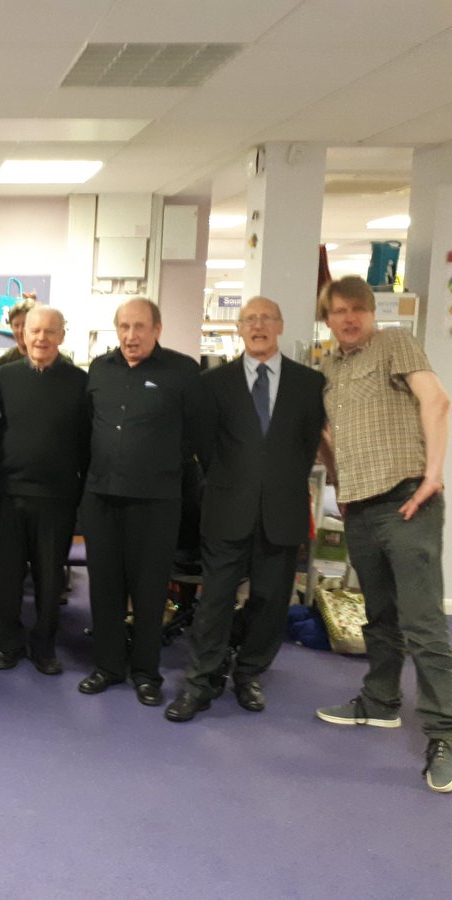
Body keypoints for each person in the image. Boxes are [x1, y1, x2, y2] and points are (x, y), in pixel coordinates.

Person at [312, 275, 452, 793]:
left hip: (407, 498)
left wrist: (433, 476)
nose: (349, 318)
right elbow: (328, 437)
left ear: (372, 312)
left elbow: (436, 402)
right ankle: (380, 700)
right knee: (381, 614)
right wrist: (341, 487)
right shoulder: (328, 368)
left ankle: (445, 733)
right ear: (327, 319)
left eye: (358, 309)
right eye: (339, 311)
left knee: (424, 624)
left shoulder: (394, 343)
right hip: (362, 508)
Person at [165, 297, 325, 722]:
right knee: (215, 599)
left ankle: (249, 673)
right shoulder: (213, 383)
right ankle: (201, 680)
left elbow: (306, 446)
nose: (258, 326)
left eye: (266, 319)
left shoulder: (309, 384)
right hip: (226, 508)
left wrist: (275, 478)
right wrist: (232, 479)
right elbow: (203, 444)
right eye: (250, 320)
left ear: (280, 325)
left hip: (283, 510)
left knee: (270, 601)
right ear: (239, 329)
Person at [78, 298, 200, 707]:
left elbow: (197, 436)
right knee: (105, 586)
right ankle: (109, 666)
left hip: (157, 500)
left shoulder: (183, 372)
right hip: (101, 497)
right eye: (124, 327)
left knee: (150, 590)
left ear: (157, 329)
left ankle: (146, 672)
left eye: (140, 327)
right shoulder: (99, 369)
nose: (131, 336)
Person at [0, 305, 88, 675]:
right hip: (7, 492)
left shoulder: (79, 382)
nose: (41, 338)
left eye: (50, 331)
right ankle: (8, 644)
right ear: (23, 335)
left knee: (49, 577)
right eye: (34, 331)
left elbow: (86, 442)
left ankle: (45, 646)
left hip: (57, 496)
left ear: (61, 335)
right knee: (6, 576)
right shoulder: (1, 377)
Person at [0, 294, 37, 374]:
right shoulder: (1, 364)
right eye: (16, 325)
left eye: (25, 324)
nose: (20, 330)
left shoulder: (49, 361)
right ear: (11, 327)